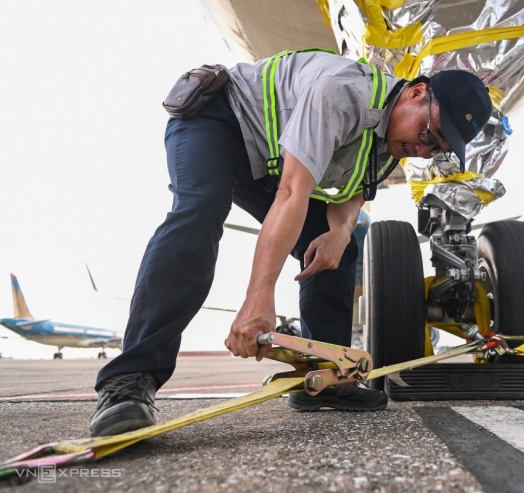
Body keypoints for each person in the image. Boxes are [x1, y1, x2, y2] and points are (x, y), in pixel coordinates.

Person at [89, 50, 493, 437]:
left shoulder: (396, 136)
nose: (422, 148)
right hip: (218, 121)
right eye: (428, 133)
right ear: (417, 92)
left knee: (338, 246)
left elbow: (352, 193)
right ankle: (129, 381)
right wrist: (258, 296)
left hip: (268, 161)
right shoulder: (343, 92)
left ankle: (322, 375)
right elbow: (292, 193)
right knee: (197, 214)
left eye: (434, 147)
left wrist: (338, 232)